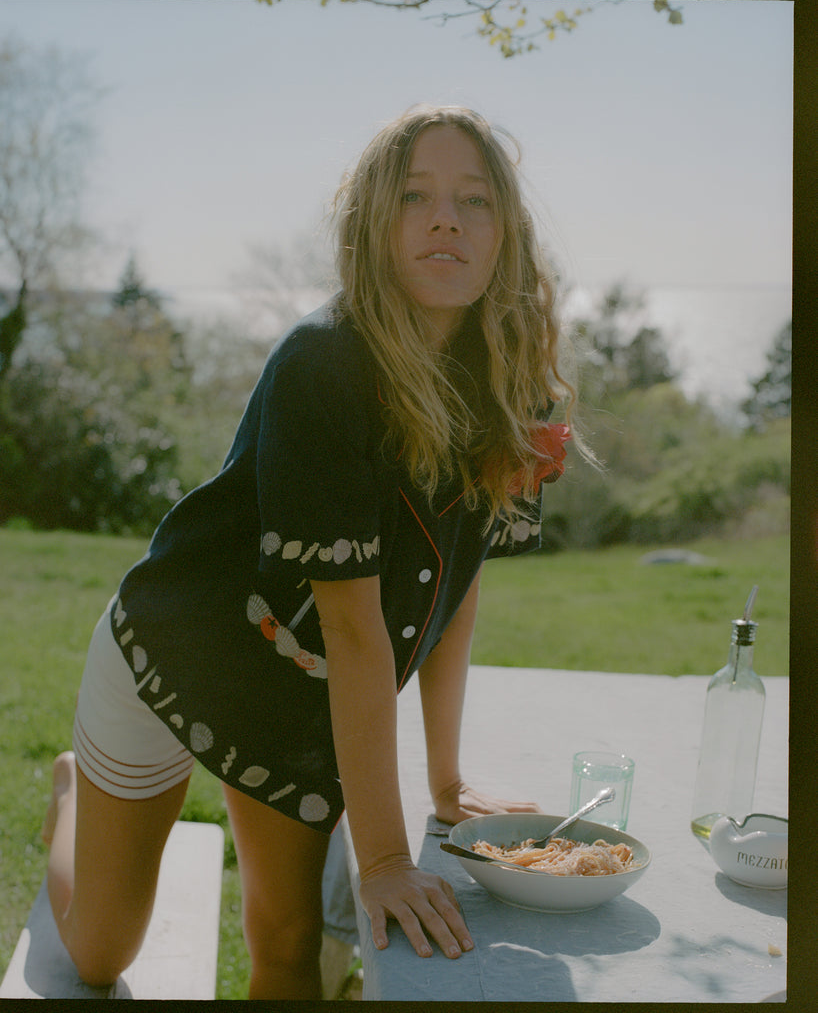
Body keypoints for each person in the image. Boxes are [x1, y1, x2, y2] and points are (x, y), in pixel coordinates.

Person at [42, 104, 586, 999]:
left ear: (507, 235)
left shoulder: (516, 377)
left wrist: (446, 783)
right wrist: (381, 856)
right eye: (415, 195)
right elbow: (356, 631)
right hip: (181, 651)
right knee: (100, 958)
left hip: (299, 693)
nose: (445, 217)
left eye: (473, 200)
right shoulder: (322, 366)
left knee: (290, 940)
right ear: (374, 225)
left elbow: (455, 586)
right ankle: (77, 795)